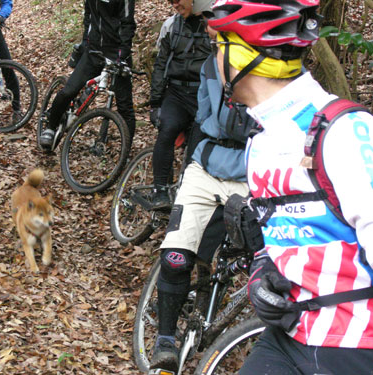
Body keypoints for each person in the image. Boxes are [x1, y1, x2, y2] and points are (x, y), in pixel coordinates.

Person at [208, 0, 373, 374]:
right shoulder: (261, 138)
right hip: (289, 336)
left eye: (220, 45)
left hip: (354, 346)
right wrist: (262, 275)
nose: (215, 58)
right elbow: (280, 232)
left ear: (241, 56)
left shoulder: (344, 131)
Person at [149, 26, 258, 375]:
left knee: (252, 261)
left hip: (251, 173)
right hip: (207, 165)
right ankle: (165, 339)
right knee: (177, 254)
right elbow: (204, 120)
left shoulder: (272, 73)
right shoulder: (211, 65)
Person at [38, 0, 136, 149]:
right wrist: (85, 42)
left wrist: (121, 55)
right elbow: (88, 15)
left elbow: (128, 24)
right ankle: (51, 127)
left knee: (125, 106)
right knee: (68, 91)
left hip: (117, 53)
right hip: (94, 51)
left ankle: (126, 152)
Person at [149, 0, 212, 209]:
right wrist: (156, 102)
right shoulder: (171, 26)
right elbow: (160, 65)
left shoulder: (214, 26)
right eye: (170, 1)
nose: (174, 4)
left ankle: (188, 198)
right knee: (167, 130)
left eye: (178, 0)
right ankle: (159, 189)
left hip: (203, 95)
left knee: (197, 149)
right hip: (176, 93)